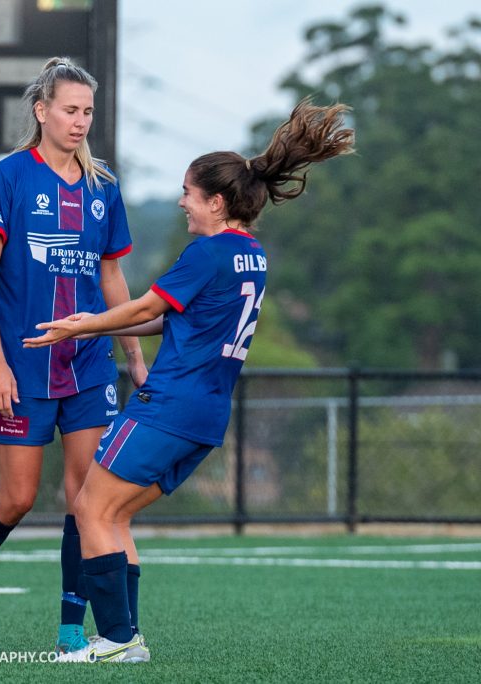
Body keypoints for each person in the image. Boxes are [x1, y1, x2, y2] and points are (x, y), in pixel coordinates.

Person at [24, 98, 355, 663]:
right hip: (205, 417)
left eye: (189, 193)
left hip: (166, 407)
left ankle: (116, 641)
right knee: (114, 514)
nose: (182, 202)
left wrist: (83, 325)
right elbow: (177, 317)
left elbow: (143, 306)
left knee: (88, 509)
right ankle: (125, 638)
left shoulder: (207, 252)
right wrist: (96, 328)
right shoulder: (251, 255)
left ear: (217, 202)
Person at [0, 57, 147, 654]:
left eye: (88, 111)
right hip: (24, 364)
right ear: (41, 111)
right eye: (70, 109)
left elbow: (113, 278)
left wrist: (132, 354)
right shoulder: (8, 177)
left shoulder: (104, 187)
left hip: (88, 365)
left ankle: (70, 629)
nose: (80, 121)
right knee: (18, 497)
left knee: (87, 498)